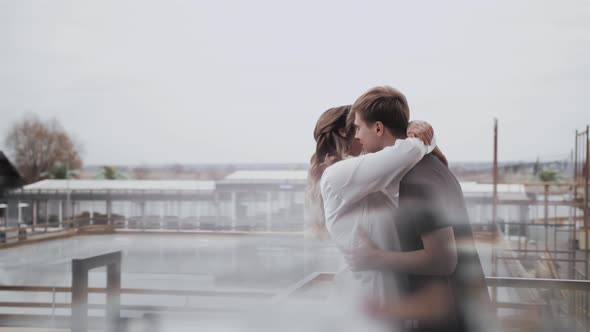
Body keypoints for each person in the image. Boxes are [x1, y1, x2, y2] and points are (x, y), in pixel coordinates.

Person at [346, 87, 491, 331]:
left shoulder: (416, 181)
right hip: (464, 309)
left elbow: (443, 260)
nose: (356, 135)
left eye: (359, 127)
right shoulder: (433, 164)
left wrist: (374, 258)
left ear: (379, 128)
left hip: (445, 317)